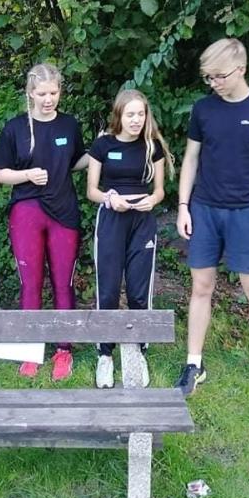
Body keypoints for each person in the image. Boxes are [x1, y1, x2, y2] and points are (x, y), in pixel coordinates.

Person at [175, 38, 249, 395]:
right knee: (201, 287)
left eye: (219, 76)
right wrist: (183, 206)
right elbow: (191, 158)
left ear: (240, 69)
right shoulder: (203, 109)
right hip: (205, 209)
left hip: (247, 211)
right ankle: (194, 363)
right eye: (208, 78)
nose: (214, 83)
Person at [0, 63, 88, 380]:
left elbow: (76, 162)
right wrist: (27, 175)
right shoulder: (15, 128)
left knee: (63, 282)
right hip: (27, 211)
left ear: (60, 92)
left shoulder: (69, 125)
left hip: (64, 211)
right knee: (31, 283)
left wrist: (104, 147)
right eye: (42, 93)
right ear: (30, 93)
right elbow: (0, 173)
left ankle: (64, 350)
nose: (48, 99)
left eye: (53, 93)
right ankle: (30, 349)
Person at [87, 89, 175, 388]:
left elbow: (159, 191)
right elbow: (92, 191)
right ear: (119, 116)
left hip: (142, 221)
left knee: (139, 290)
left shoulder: (152, 146)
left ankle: (139, 350)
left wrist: (153, 200)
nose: (136, 120)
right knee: (108, 289)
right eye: (130, 114)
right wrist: (110, 199)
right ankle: (105, 354)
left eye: (141, 114)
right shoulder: (103, 144)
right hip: (112, 219)